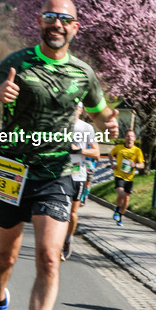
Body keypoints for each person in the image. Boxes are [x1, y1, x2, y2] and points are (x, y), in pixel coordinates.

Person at [0, 0, 118, 310]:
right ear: (40, 21)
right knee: (6, 259)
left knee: (50, 256)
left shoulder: (84, 73)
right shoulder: (16, 63)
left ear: (75, 27)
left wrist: (111, 124)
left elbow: (101, 111)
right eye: (50, 16)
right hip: (12, 171)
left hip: (57, 173)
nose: (57, 24)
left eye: (65, 19)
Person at [61, 106, 100, 261]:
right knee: (59, 211)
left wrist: (78, 150)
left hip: (78, 175)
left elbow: (96, 153)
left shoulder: (86, 128)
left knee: (72, 213)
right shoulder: (59, 124)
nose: (73, 109)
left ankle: (68, 238)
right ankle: (57, 244)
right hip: (59, 174)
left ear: (81, 110)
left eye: (77, 107)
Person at [108, 128, 145, 225]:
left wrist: (135, 165)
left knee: (126, 199)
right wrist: (112, 164)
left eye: (131, 136)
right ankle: (117, 209)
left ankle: (120, 216)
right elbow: (110, 155)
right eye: (128, 136)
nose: (129, 138)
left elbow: (142, 165)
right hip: (119, 175)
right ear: (125, 137)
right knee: (121, 194)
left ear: (134, 138)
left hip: (129, 178)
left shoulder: (137, 151)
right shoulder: (119, 147)